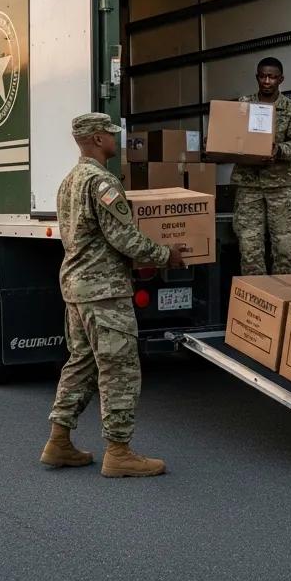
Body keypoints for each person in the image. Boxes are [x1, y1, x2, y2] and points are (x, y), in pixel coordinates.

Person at [41, 112, 186, 478]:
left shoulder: (69, 182)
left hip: (77, 289)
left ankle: (59, 441)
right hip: (104, 292)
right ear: (94, 139)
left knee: (81, 364)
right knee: (119, 369)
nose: (114, 139)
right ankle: (118, 452)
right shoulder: (102, 183)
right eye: (109, 133)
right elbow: (125, 238)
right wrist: (167, 255)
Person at [230, 57, 291, 275]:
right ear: (257, 77)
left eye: (272, 77)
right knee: (249, 249)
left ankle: (282, 298)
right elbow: (230, 135)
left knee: (285, 248)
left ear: (280, 79)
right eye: (263, 76)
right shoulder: (242, 106)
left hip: (281, 187)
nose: (267, 81)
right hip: (249, 187)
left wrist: (279, 150)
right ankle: (258, 302)